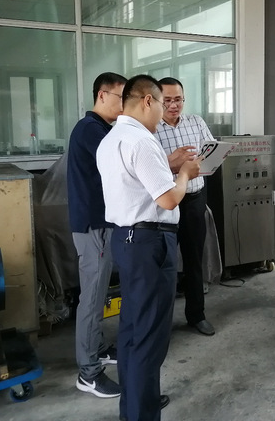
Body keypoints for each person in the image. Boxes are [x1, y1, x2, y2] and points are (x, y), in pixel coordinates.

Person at [97, 74, 201, 421]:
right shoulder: (142, 141)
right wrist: (185, 173)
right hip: (149, 242)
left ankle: (135, 407)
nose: (165, 112)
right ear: (147, 101)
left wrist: (170, 167)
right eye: (162, 103)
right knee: (149, 339)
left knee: (131, 331)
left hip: (126, 239)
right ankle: (142, 413)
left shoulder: (112, 138)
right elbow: (169, 199)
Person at [67, 72, 127, 398]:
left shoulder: (102, 129)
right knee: (91, 299)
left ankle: (98, 348)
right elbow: (123, 164)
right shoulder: (91, 129)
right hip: (93, 226)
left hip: (100, 224)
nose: (125, 105)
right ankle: (88, 373)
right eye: (121, 98)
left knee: (98, 292)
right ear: (102, 95)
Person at [154, 77, 216, 336]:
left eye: (178, 99)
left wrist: (203, 161)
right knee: (162, 264)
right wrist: (175, 165)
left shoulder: (196, 122)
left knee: (194, 260)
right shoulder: (150, 129)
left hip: (194, 199)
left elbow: (211, 152)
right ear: (157, 101)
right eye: (167, 100)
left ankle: (196, 315)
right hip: (165, 204)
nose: (173, 105)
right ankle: (159, 324)